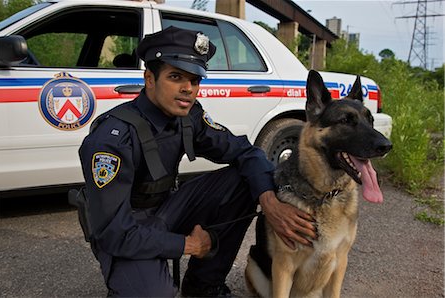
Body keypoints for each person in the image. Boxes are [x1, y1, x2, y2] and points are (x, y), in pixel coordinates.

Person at [78, 26, 317, 297]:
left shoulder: (189, 117)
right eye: (176, 76)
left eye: (195, 80)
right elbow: (114, 231)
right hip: (124, 226)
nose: (188, 89)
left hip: (165, 209)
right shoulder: (113, 139)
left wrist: (269, 201)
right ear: (149, 79)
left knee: (243, 179)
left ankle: (203, 286)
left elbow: (244, 152)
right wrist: (188, 245)